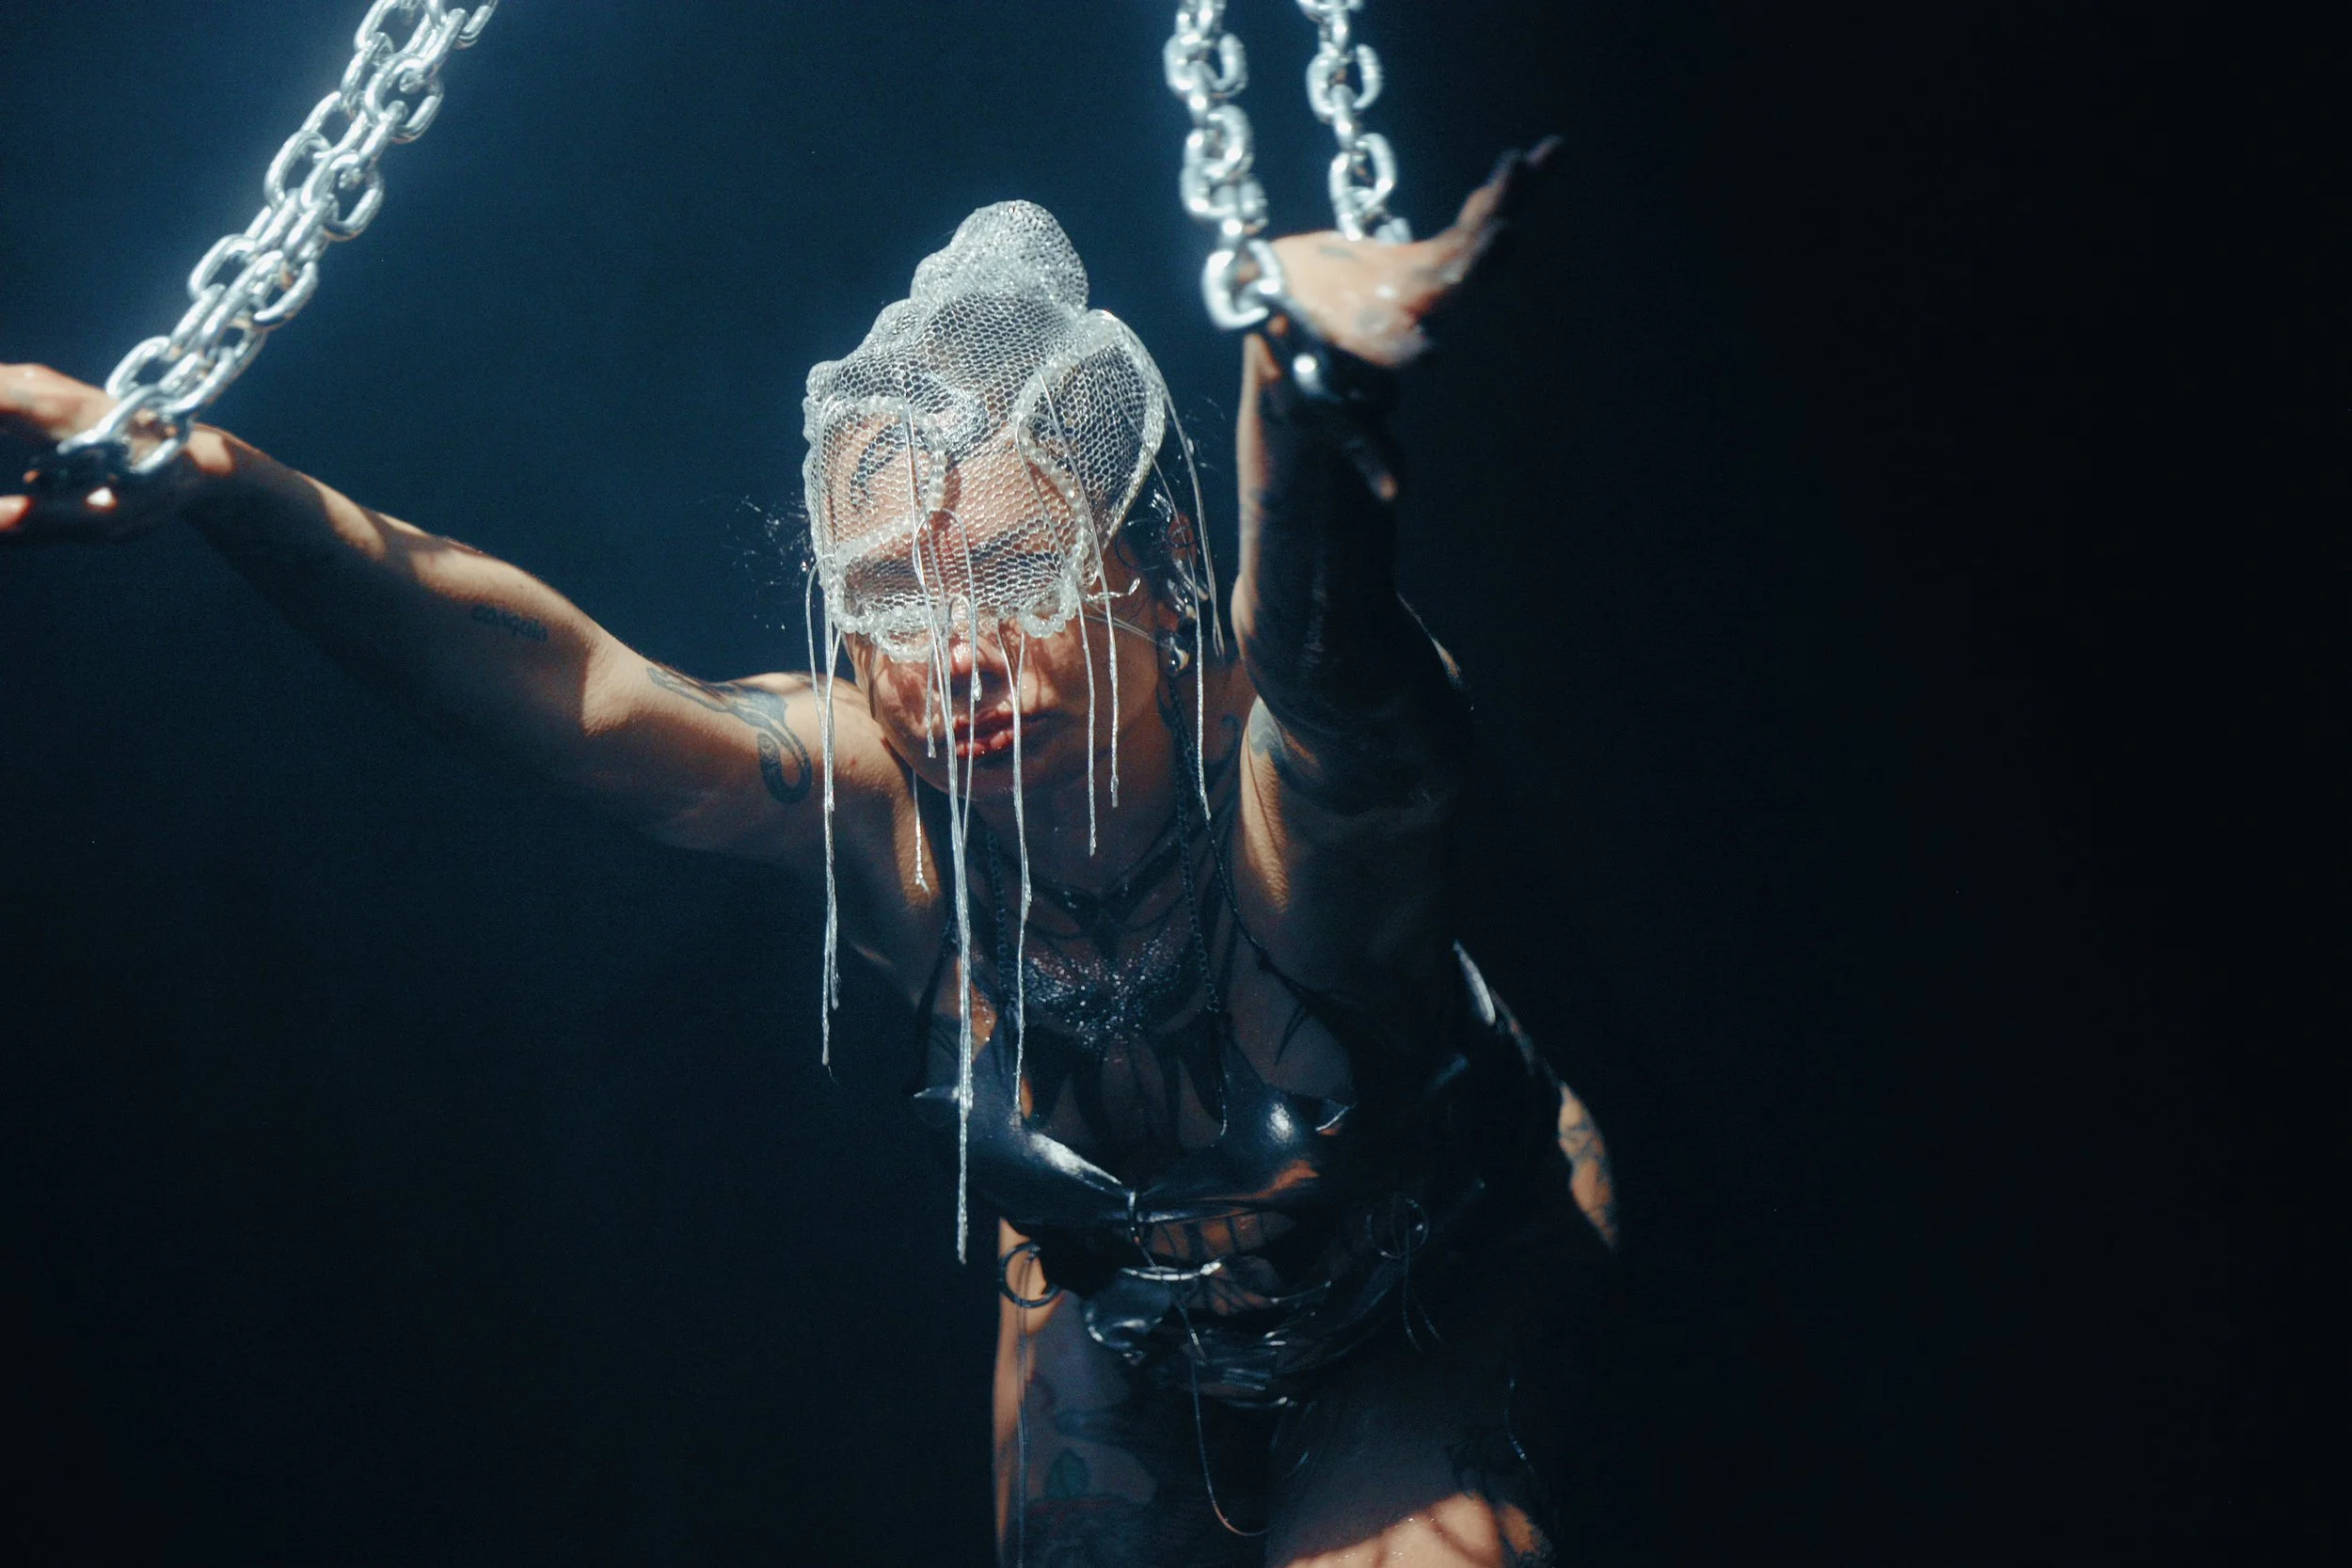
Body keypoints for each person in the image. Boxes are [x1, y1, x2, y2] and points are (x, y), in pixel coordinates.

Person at [1, 143, 1615, 1568]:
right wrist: (221, 481)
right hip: (1124, 1324)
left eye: (1012, 567)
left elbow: (1338, 669)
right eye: (896, 604)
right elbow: (578, 696)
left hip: (1431, 1272)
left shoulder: (1274, 774)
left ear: (1157, 562)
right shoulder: (880, 801)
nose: (952, 656)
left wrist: (1301, 391)